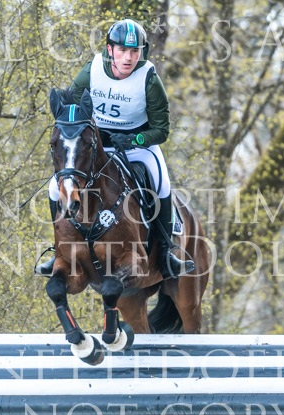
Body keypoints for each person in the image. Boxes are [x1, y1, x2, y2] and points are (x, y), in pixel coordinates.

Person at [36, 18, 195, 280]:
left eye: (134, 51)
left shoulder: (149, 79)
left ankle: (167, 251)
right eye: (122, 50)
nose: (128, 58)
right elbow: (72, 108)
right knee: (55, 186)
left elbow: (161, 130)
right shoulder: (92, 70)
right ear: (110, 49)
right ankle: (59, 251)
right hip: (96, 147)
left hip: (137, 146)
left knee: (162, 183)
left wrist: (135, 139)